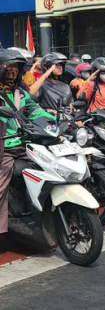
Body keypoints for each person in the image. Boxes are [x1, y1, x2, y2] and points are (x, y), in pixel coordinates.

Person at [0, 49, 55, 236]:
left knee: (51, 170)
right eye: (7, 67)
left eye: (15, 68)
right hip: (4, 148)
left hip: (25, 146)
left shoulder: (21, 93)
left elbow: (36, 111)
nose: (12, 71)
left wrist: (55, 121)